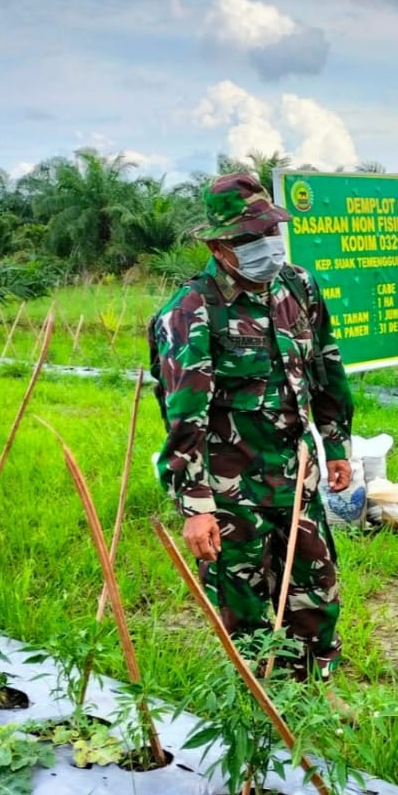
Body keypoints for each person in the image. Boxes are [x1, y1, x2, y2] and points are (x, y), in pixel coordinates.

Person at [154, 172, 354, 682]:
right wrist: (196, 507)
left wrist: (335, 446)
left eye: (271, 232)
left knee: (315, 592)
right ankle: (260, 706)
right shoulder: (190, 310)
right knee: (241, 609)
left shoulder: (297, 286)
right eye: (251, 237)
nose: (267, 246)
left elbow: (326, 366)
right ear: (221, 245)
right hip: (230, 493)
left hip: (296, 478)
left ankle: (314, 692)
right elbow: (185, 418)